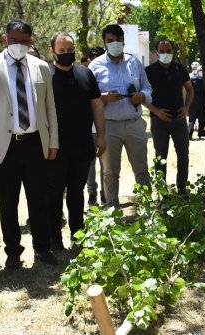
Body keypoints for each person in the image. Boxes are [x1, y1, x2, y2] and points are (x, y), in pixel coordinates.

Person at [0, 19, 59, 269]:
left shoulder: (41, 67)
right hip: (4, 145)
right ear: (5, 39)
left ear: (31, 41)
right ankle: (13, 251)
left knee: (39, 200)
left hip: (35, 143)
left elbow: (49, 108)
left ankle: (42, 248)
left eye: (24, 41)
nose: (18, 45)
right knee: (8, 202)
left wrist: (53, 140)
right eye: (14, 40)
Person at [46, 32, 105, 250]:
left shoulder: (85, 74)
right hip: (55, 146)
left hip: (82, 145)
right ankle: (54, 239)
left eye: (70, 50)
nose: (66, 54)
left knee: (76, 191)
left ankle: (78, 234)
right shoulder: (44, 75)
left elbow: (97, 106)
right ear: (52, 51)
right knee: (54, 192)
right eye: (61, 51)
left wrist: (101, 135)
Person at [89, 25, 152, 207]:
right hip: (108, 126)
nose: (114, 44)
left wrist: (142, 96)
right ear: (104, 42)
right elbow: (89, 97)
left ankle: (147, 211)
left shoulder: (134, 63)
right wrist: (104, 98)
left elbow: (148, 88)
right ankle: (112, 213)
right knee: (110, 172)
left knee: (141, 170)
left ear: (123, 41)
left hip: (134, 124)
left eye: (118, 40)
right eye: (110, 41)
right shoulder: (95, 66)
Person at [145, 40, 193, 193]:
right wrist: (156, 111)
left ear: (173, 51)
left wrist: (186, 108)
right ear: (156, 52)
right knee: (160, 156)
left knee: (183, 155)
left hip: (179, 119)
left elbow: (190, 90)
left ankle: (182, 188)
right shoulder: (149, 71)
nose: (166, 53)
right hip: (158, 120)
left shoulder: (180, 68)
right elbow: (142, 96)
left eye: (169, 50)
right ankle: (161, 191)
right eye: (162, 50)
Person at [84, 45, 107, 206]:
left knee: (105, 163)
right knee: (90, 164)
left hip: (103, 127)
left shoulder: (106, 74)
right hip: (87, 128)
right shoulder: (83, 76)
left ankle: (105, 192)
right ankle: (92, 194)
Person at [188, 64, 205, 139]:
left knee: (202, 119)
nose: (201, 72)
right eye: (200, 71)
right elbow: (189, 91)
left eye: (202, 71)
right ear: (197, 71)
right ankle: (189, 135)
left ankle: (201, 134)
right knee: (192, 119)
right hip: (193, 102)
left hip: (202, 102)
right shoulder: (192, 79)